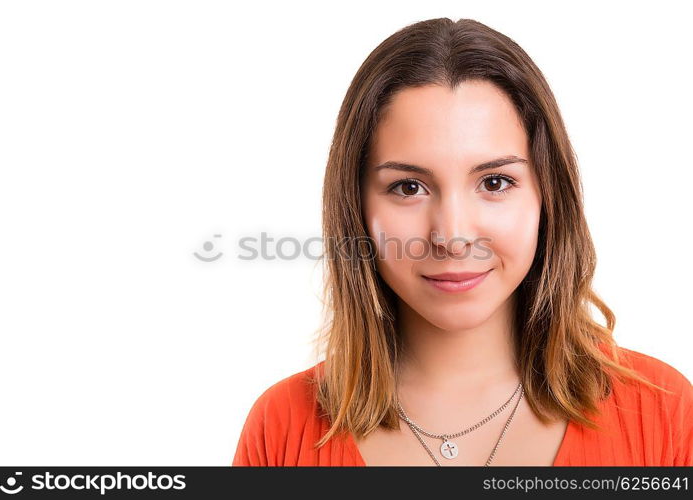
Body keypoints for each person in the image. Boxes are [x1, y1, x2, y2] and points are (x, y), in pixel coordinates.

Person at [232, 17, 692, 466]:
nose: (451, 237)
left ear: (548, 196)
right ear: (355, 208)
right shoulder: (281, 428)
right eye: (409, 187)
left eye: (494, 182)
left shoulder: (665, 413)